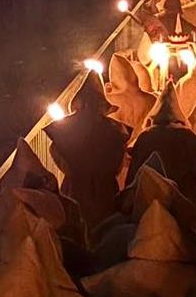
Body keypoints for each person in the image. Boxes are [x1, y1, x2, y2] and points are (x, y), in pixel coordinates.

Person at [46, 72, 133, 229]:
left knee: (76, 226)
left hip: (75, 190)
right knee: (104, 229)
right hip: (105, 191)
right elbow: (118, 162)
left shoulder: (66, 127)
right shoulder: (115, 129)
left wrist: (72, 172)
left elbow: (55, 151)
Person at [128, 86, 196, 204]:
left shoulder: (146, 137)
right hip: (186, 198)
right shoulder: (188, 136)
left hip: (151, 198)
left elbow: (134, 174)